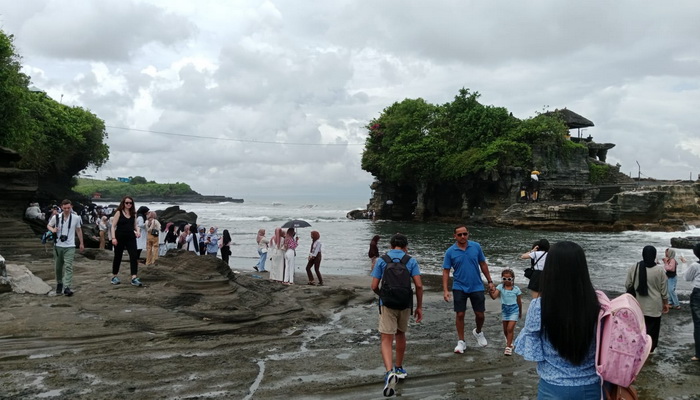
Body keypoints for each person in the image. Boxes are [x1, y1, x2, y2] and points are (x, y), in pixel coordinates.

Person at [514, 241, 601, 399]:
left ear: (551, 268)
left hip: (553, 388)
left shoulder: (539, 306)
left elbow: (532, 353)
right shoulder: (598, 304)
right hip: (592, 387)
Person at [370, 233, 423, 397]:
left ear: (391, 245)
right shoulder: (410, 261)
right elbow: (419, 286)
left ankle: (389, 371)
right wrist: (419, 307)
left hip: (387, 303)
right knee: (400, 334)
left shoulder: (382, 260)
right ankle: (399, 368)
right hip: (405, 303)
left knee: (386, 338)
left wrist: (383, 296)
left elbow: (373, 286)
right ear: (406, 246)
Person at [442, 225, 495, 353]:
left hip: (476, 285)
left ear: (468, 234)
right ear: (454, 236)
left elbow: (483, 264)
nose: (462, 236)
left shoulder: (476, 246)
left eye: (464, 234)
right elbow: (446, 271)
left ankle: (478, 332)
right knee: (460, 314)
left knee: (480, 314)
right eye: (459, 234)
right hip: (459, 286)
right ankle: (461, 342)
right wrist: (445, 290)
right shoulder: (450, 251)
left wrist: (490, 281)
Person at [625, 245, 670, 354]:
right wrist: (666, 304)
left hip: (638, 305)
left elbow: (627, 284)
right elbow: (664, 291)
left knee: (639, 329)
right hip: (654, 306)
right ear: (654, 256)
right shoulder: (660, 271)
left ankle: (638, 349)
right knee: (653, 331)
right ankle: (650, 351)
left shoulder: (635, 267)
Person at [46, 199, 85, 296]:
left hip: (70, 245)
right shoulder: (57, 217)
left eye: (68, 208)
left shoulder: (76, 218)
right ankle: (59, 282)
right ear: (61, 207)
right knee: (58, 267)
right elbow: (49, 225)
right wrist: (53, 230)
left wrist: (81, 243)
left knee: (68, 266)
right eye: (65, 208)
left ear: (71, 207)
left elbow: (79, 230)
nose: (67, 210)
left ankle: (67, 286)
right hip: (58, 245)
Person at [110, 196, 143, 287]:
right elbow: (113, 226)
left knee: (134, 256)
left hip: (131, 237)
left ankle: (134, 277)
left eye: (130, 203)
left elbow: (135, 225)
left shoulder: (133, 213)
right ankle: (114, 276)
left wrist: (138, 231)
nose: (128, 204)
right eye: (127, 203)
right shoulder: (118, 212)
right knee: (118, 256)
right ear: (123, 203)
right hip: (119, 236)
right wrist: (113, 238)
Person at [488, 269, 522, 356]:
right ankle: (509, 342)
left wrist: (520, 312)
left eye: (509, 279)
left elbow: (519, 302)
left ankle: (508, 347)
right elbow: (494, 297)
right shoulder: (500, 287)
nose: (506, 281)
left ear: (513, 279)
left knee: (510, 328)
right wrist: (490, 292)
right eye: (504, 278)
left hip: (514, 310)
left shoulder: (516, 289)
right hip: (505, 310)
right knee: (505, 330)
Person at [682, 243, 700, 362]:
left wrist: (684, 264)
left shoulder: (695, 265)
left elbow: (686, 278)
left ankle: (698, 354)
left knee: (698, 323)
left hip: (698, 294)